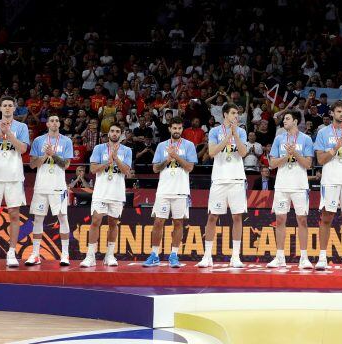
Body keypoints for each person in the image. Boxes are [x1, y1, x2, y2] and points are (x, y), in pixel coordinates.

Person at [0, 97, 30, 268]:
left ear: (14, 108)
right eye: (5, 106)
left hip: (14, 176)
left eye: (10, 105)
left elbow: (23, 149)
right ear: (0, 108)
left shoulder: (21, 127)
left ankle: (11, 253)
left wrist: (8, 133)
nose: (8, 108)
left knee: (14, 215)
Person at [197, 103, 248, 268]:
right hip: (219, 179)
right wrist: (227, 137)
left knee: (237, 217)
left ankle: (235, 257)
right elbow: (211, 153)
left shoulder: (241, 131)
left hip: (237, 179)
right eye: (233, 113)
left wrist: (235, 135)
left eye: (237, 113)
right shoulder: (214, 132)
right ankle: (207, 256)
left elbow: (243, 152)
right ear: (225, 114)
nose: (236, 116)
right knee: (212, 217)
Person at [143, 117, 197, 268]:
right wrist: (167, 159)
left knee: (178, 222)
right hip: (164, 191)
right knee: (158, 222)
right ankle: (154, 254)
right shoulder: (161, 146)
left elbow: (190, 167)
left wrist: (176, 156)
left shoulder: (189, 145)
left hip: (180, 191)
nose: (177, 131)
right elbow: (155, 168)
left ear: (182, 129)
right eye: (174, 128)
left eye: (179, 128)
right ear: (169, 129)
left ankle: (174, 255)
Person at [313, 101, 342, 270]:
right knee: (327, 217)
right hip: (330, 179)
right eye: (339, 111)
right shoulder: (323, 132)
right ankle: (322, 257)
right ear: (332, 113)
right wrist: (335, 147)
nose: (341, 114)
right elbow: (320, 160)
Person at [80, 124, 133, 267]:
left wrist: (116, 159)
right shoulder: (99, 148)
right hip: (101, 192)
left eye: (117, 132)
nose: (114, 134)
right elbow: (92, 169)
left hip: (117, 192)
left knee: (113, 223)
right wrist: (107, 162)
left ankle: (109, 255)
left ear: (121, 135)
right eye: (112, 131)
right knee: (96, 221)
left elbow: (126, 171)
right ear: (108, 133)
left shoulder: (127, 150)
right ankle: (90, 256)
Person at [266, 110, 314, 269]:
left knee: (302, 220)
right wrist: (287, 156)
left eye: (287, 118)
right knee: (280, 220)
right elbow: (272, 164)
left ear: (295, 121)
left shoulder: (306, 139)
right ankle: (280, 257)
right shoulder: (279, 139)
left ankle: (304, 258)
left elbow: (308, 164)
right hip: (281, 185)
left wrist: (295, 153)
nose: (283, 121)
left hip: (300, 185)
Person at [26, 115, 74, 266]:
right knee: (38, 219)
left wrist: (53, 155)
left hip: (58, 186)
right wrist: (45, 156)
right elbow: (32, 165)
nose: (55, 123)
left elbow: (66, 165)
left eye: (57, 120)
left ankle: (65, 255)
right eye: (52, 121)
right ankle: (35, 254)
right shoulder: (39, 141)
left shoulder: (66, 141)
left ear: (60, 123)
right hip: (41, 186)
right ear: (47, 124)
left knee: (63, 218)